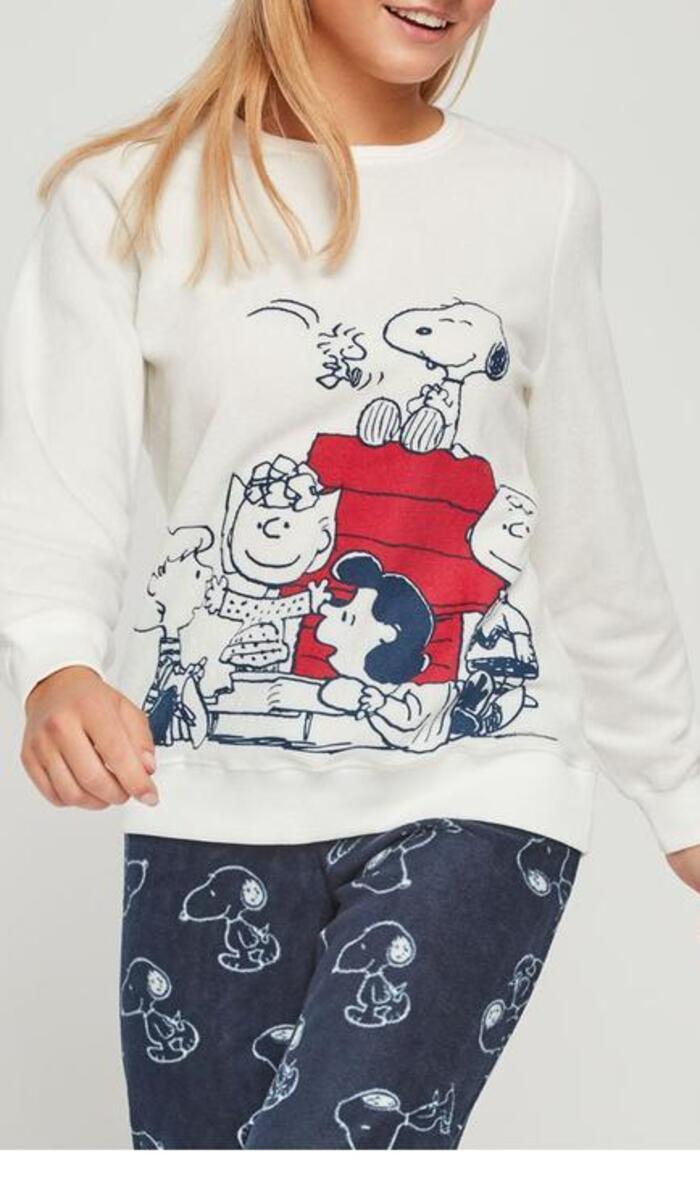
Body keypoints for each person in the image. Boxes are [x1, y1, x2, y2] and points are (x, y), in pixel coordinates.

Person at [1, 0, 699, 1151]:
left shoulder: (537, 198)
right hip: (207, 790)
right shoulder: (125, 200)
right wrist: (56, 664)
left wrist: (679, 790)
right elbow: (55, 479)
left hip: (479, 785)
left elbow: (591, 528)